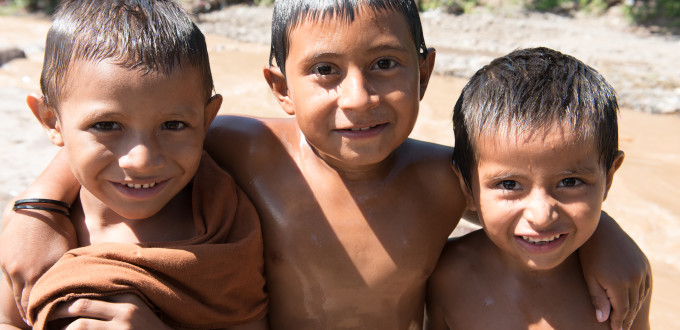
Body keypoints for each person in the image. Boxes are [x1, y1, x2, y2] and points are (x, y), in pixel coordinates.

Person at [1, 1, 650, 329]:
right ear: (280, 86)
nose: (358, 98)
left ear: (425, 72)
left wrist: (610, 243)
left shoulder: (442, 179)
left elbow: (533, 195)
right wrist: (38, 205)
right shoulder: (246, 147)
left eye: (386, 65)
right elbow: (142, 142)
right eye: (325, 71)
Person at [0, 0, 267, 329]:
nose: (141, 160)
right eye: (107, 126)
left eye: (173, 125)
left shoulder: (225, 229)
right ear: (52, 121)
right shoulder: (37, 232)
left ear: (207, 118)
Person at [425, 47, 651, 329]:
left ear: (610, 177)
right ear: (467, 188)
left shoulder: (621, 281)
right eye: (509, 184)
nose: (542, 215)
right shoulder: (446, 275)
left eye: (570, 182)